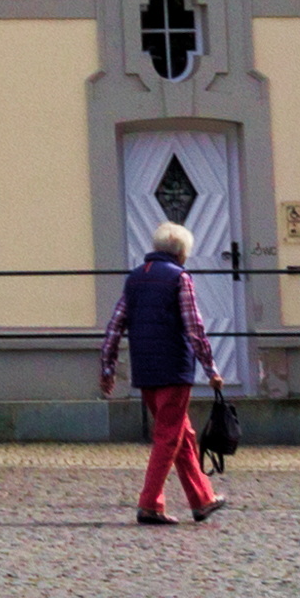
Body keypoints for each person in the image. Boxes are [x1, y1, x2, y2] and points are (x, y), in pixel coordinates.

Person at [101, 216, 231, 525]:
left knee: (181, 434)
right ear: (181, 253)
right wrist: (210, 367)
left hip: (145, 368)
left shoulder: (134, 278)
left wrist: (107, 367)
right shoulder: (179, 277)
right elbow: (194, 326)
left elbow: (115, 324)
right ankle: (149, 504)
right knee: (167, 437)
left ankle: (202, 499)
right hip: (174, 368)